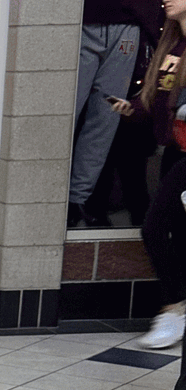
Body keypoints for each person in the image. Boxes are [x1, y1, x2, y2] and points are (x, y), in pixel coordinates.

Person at [111, 0, 186, 350]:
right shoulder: (172, 46)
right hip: (174, 152)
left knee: (154, 227)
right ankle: (176, 308)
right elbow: (156, 101)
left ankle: (174, 310)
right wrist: (133, 108)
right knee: (173, 231)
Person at [69, 0, 161, 227]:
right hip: (79, 21)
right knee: (66, 114)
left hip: (127, 26)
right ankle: (50, 194)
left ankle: (76, 199)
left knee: (105, 118)